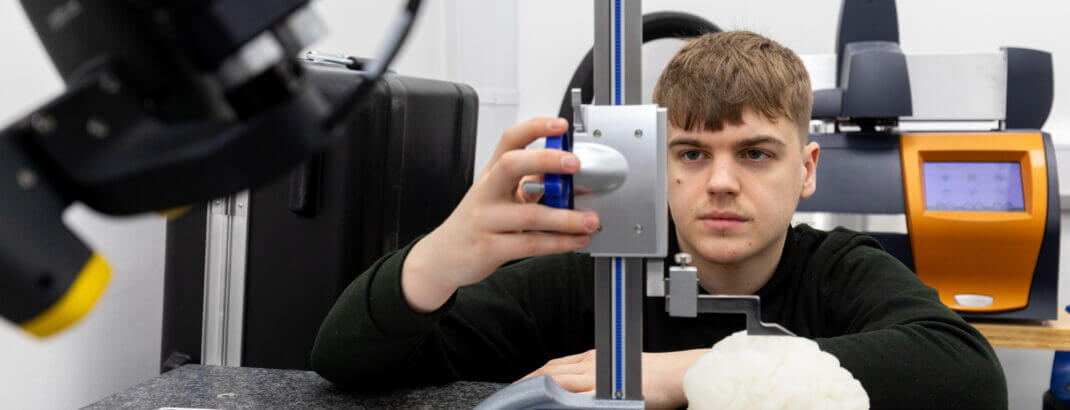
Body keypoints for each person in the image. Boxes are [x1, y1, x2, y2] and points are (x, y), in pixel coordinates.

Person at [310, 31, 1006, 409]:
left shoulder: (838, 271)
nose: (723, 181)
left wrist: (687, 373)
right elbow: (344, 360)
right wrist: (448, 251)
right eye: (692, 153)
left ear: (808, 168)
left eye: (757, 153)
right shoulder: (589, 276)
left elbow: (968, 377)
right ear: (656, 163)